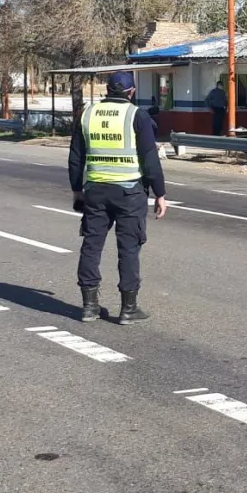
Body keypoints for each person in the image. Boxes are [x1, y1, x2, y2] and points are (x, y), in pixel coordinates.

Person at [69, 71, 167, 324]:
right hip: (129, 192)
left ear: (107, 90)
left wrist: (77, 189)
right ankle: (128, 308)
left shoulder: (87, 114)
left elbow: (76, 157)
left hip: (95, 190)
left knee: (91, 245)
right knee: (129, 248)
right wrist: (160, 194)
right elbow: (149, 158)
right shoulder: (137, 115)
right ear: (131, 91)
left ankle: (89, 306)